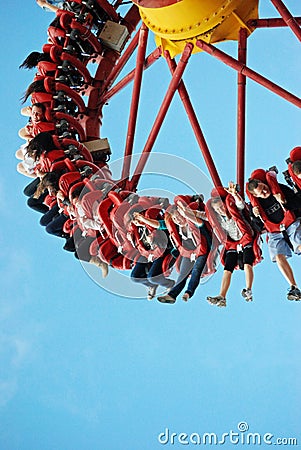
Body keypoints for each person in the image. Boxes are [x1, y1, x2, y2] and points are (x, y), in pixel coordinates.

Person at [247, 170, 301, 301]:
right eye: (262, 193)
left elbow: (298, 202)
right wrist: (255, 216)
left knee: (299, 244)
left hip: (290, 223)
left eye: (264, 188)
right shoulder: (255, 207)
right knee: (278, 256)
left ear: (263, 183)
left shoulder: (279, 189)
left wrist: (284, 201)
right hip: (274, 231)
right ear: (256, 196)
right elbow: (259, 227)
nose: (266, 192)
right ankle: (294, 287)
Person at [206, 183, 259, 307]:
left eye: (221, 207)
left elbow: (240, 204)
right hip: (233, 243)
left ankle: (248, 289)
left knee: (247, 263)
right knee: (227, 268)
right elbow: (203, 216)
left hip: (245, 238)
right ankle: (222, 296)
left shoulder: (234, 208)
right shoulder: (218, 218)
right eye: (217, 210)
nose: (220, 210)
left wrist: (234, 194)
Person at [157, 200, 212, 304]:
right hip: (189, 252)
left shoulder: (192, 222)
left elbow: (200, 223)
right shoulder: (177, 228)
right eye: (174, 218)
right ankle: (172, 295)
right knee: (183, 274)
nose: (177, 220)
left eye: (178, 216)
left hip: (202, 250)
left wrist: (186, 212)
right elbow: (159, 225)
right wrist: (142, 220)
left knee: (196, 270)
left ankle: (188, 292)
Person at [127, 209, 175, 300]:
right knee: (134, 277)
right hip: (147, 254)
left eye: (137, 218)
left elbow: (164, 241)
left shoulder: (151, 224)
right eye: (133, 220)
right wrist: (132, 240)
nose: (135, 221)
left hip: (160, 252)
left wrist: (154, 240)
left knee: (153, 277)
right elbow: (139, 246)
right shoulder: (136, 230)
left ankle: (170, 284)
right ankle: (152, 286)